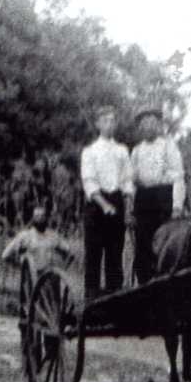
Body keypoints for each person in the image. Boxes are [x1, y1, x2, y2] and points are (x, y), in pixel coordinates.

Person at [79, 105, 131, 296]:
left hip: (116, 202)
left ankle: (114, 297)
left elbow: (127, 181)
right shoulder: (89, 151)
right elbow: (89, 182)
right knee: (93, 253)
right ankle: (91, 299)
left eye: (113, 121)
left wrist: (127, 208)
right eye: (106, 121)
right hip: (96, 205)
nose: (110, 125)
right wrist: (104, 205)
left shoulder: (122, 150)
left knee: (114, 254)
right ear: (98, 124)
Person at [129, 106, 185, 285]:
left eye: (152, 123)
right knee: (143, 249)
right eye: (144, 125)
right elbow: (131, 182)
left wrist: (177, 207)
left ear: (159, 125)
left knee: (164, 247)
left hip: (163, 200)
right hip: (143, 202)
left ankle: (165, 287)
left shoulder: (168, 145)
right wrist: (130, 209)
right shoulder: (137, 151)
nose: (148, 128)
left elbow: (178, 177)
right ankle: (144, 287)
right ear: (140, 128)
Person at [1, 204, 76, 279]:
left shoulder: (53, 236)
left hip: (50, 278)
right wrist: (21, 267)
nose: (41, 219)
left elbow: (70, 254)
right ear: (33, 219)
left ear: (47, 218)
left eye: (43, 216)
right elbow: (5, 255)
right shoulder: (24, 236)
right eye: (37, 216)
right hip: (31, 279)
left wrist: (61, 270)